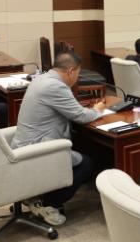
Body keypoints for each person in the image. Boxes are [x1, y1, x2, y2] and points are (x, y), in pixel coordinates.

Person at [11, 51, 105, 225]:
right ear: (71, 71)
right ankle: (48, 203)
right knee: (86, 163)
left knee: (80, 145)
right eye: (78, 74)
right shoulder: (56, 87)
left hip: (23, 145)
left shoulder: (41, 79)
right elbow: (81, 116)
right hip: (37, 149)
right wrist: (98, 110)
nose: (77, 78)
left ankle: (37, 195)